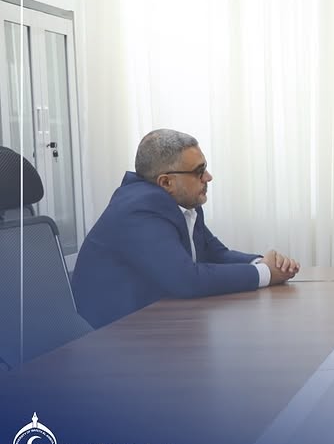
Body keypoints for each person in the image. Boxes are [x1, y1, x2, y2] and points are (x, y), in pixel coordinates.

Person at [72, 129, 299, 328]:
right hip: (111, 337)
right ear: (166, 182)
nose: (208, 177)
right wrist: (266, 274)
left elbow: (215, 253)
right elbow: (187, 280)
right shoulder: (140, 208)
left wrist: (261, 263)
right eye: (199, 171)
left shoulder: (183, 202)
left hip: (153, 324)